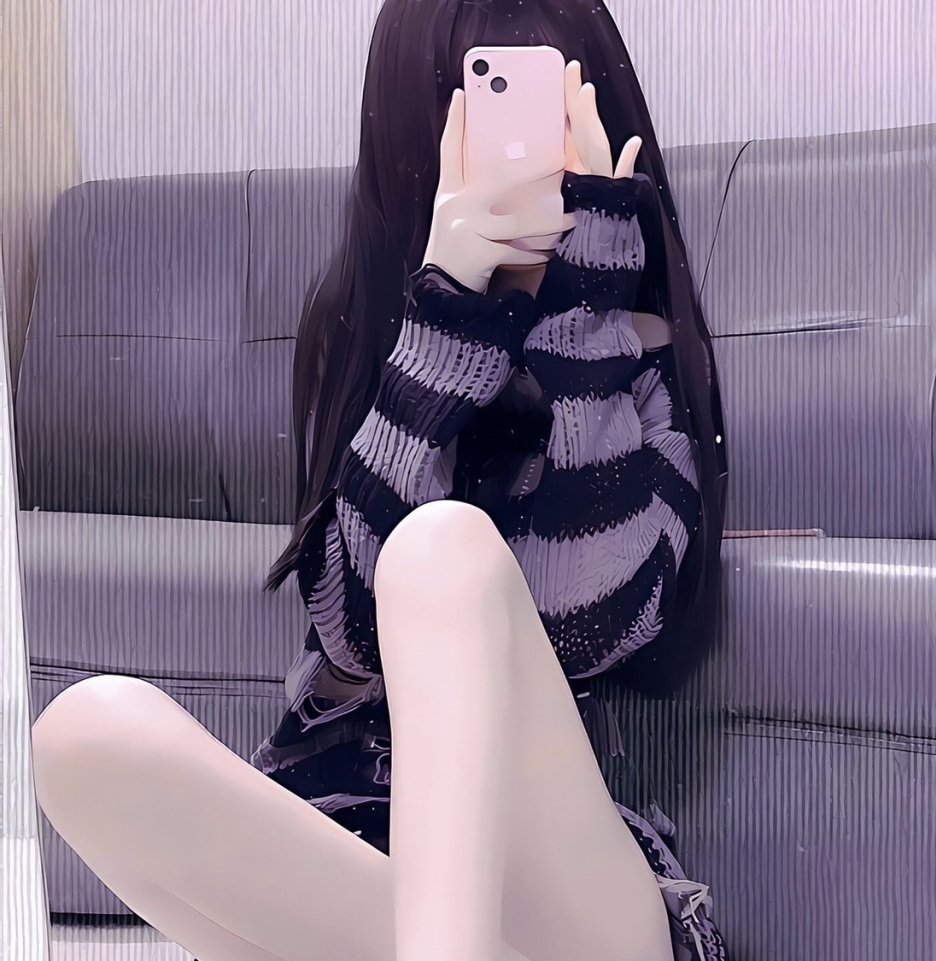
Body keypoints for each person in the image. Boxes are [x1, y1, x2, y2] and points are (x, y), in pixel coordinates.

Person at [30, 2, 729, 961]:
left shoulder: (643, 365)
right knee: (81, 734)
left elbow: (591, 627)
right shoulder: (368, 345)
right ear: (417, 143)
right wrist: (443, 325)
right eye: (484, 121)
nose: (521, 160)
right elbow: (351, 636)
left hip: (573, 908)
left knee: (440, 552)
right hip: (354, 860)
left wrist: (584, 324)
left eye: (547, 121)